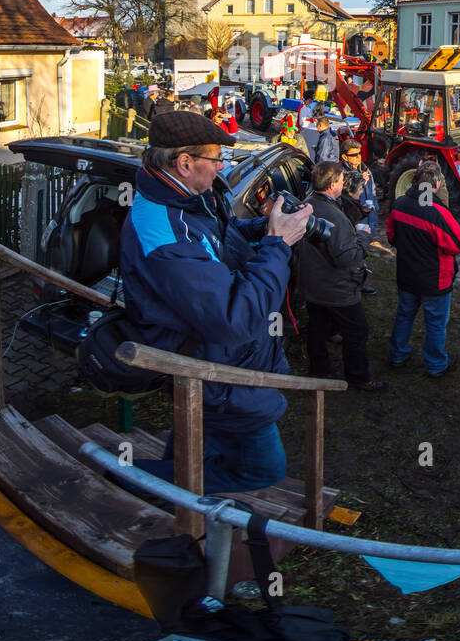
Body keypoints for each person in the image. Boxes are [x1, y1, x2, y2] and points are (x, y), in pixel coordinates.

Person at [119, 110, 310, 495]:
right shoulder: (164, 228)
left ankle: (166, 494)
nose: (222, 167)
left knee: (194, 447)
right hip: (216, 371)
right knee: (264, 470)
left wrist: (263, 227)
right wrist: (277, 245)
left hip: (214, 365)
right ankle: (133, 483)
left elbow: (218, 242)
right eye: (216, 159)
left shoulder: (186, 198)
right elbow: (234, 318)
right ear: (185, 163)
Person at [289, 161, 383, 392]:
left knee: (317, 325)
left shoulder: (308, 204)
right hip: (335, 288)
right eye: (341, 181)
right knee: (357, 330)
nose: (343, 185)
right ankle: (358, 377)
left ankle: (319, 368)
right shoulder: (335, 217)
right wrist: (362, 237)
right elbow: (347, 258)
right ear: (332, 185)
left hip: (311, 282)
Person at [386, 175, 460, 377]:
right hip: (434, 279)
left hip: (406, 274)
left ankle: (398, 354)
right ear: (436, 185)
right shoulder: (437, 212)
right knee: (436, 323)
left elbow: (391, 236)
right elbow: (457, 243)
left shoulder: (399, 203)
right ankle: (436, 364)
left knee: (404, 315)